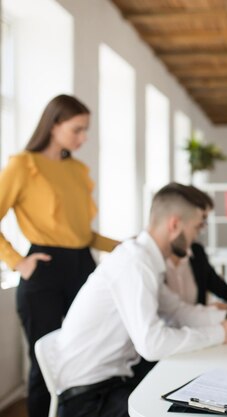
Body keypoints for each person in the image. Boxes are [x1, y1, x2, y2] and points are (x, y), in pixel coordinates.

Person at [54, 183, 227, 417]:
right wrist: (223, 333)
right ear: (174, 225)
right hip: (89, 399)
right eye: (196, 227)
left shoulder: (144, 259)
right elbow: (152, 345)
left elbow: (177, 311)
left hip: (112, 384)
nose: (195, 238)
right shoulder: (135, 263)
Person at [0, 94, 119, 417]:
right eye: (77, 130)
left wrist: (123, 246)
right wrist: (17, 263)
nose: (83, 138)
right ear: (54, 125)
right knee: (44, 362)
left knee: (94, 350)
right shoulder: (22, 165)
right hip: (44, 269)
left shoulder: (77, 170)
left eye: (86, 131)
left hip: (83, 264)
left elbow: (82, 233)